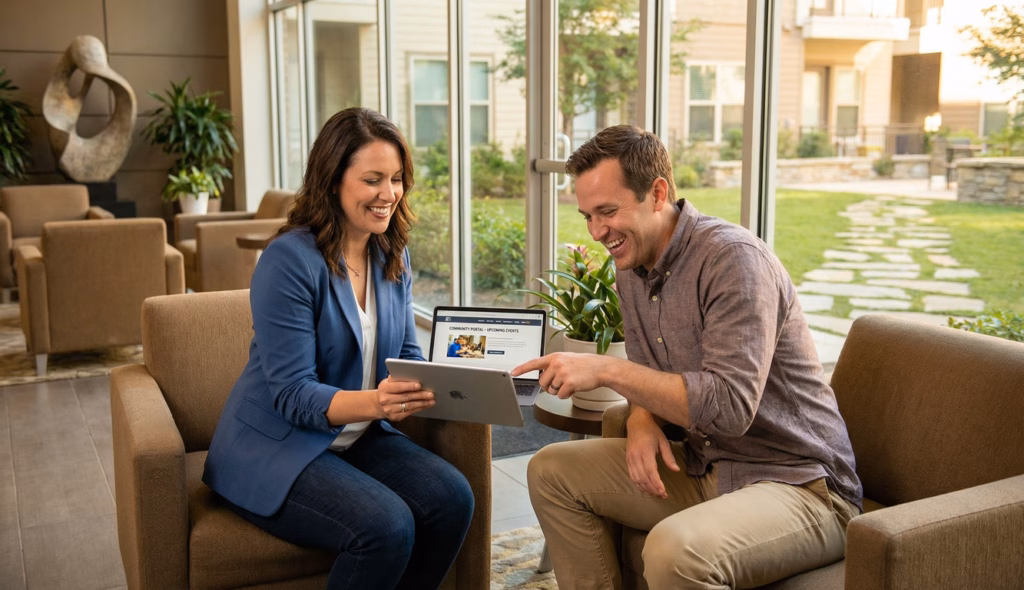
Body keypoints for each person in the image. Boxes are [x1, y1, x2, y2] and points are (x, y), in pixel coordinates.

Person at [512, 125, 863, 589]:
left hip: (801, 484)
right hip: (706, 466)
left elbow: (730, 408)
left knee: (673, 550)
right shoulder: (633, 266)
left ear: (657, 193)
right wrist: (640, 419)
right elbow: (650, 377)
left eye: (608, 212)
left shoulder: (733, 261)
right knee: (551, 470)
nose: (597, 232)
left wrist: (607, 369)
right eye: (587, 217)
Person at [202, 107, 474, 590]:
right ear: (332, 181)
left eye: (396, 179)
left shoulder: (391, 252)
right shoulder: (288, 261)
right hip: (278, 446)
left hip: (357, 438)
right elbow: (292, 393)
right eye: (372, 179)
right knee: (385, 526)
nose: (388, 194)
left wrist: (458, 377)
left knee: (453, 497)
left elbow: (404, 351)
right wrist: (378, 402)